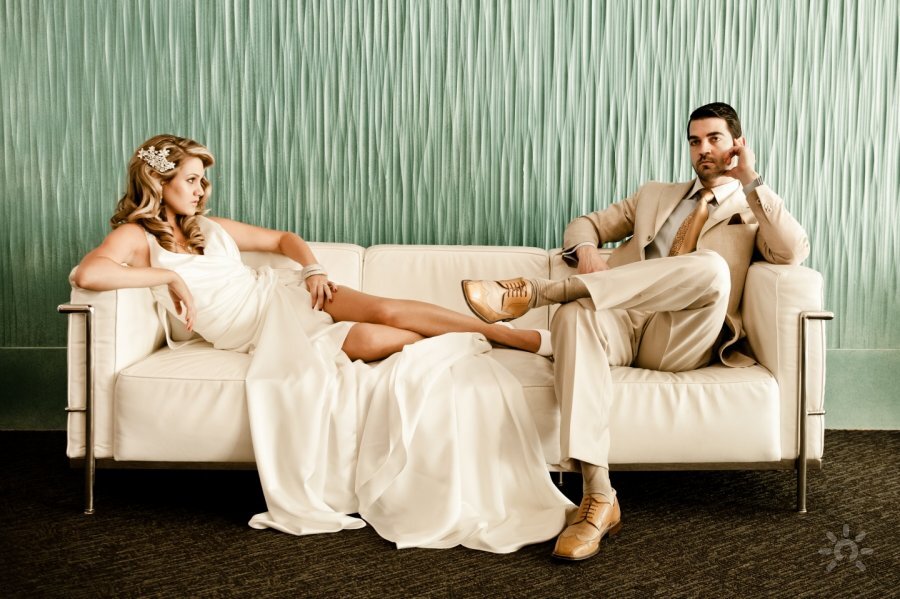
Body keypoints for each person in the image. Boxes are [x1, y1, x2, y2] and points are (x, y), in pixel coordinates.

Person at [74, 134, 572, 552]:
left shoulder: (209, 228)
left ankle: (512, 336)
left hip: (286, 294)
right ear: (157, 181)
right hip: (263, 331)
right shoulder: (138, 237)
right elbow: (88, 273)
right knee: (379, 338)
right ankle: (480, 341)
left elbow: (283, 240)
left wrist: (312, 268)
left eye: (204, 180)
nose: (202, 190)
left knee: (388, 310)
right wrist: (166, 277)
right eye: (191, 179)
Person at [461, 102, 810, 561]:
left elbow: (792, 251)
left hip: (682, 333)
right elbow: (585, 224)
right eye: (694, 141)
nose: (703, 149)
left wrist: (751, 179)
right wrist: (588, 252)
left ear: (737, 145)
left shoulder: (751, 208)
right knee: (573, 316)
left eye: (714, 139)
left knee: (710, 267)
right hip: (624, 319)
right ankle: (598, 497)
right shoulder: (654, 195)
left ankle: (542, 292)